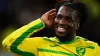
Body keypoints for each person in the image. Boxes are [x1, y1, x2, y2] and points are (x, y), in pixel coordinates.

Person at [2, 1, 100, 56]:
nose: (61, 22)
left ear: (77, 25)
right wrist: (40, 22)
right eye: (59, 17)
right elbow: (8, 43)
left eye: (68, 19)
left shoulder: (92, 48)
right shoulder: (41, 45)